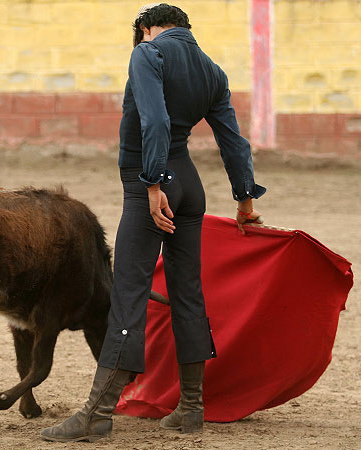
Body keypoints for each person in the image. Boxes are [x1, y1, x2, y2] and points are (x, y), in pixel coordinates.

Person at [40, 3, 265, 443]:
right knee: (187, 292)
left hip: (152, 186)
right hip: (190, 188)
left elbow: (155, 119)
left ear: (146, 29)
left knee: (128, 293)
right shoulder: (213, 71)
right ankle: (192, 408)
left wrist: (153, 182)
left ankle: (96, 414)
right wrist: (245, 199)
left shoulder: (148, 53)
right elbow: (232, 140)